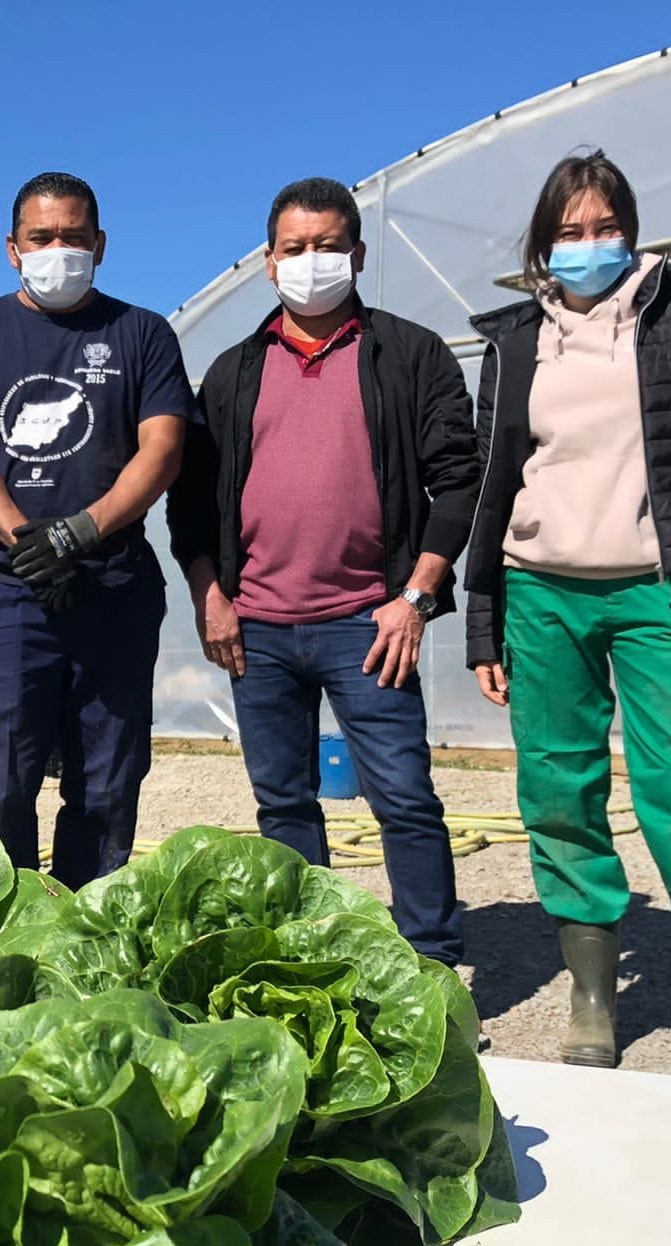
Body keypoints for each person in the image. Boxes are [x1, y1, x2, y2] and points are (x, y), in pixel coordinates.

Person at [466, 151, 671, 1083]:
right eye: (568, 232)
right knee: (558, 796)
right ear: (541, 245)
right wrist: (482, 623)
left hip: (661, 589)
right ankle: (593, 1000)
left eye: (606, 227)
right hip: (540, 590)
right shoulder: (516, 338)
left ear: (633, 231)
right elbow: (495, 487)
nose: (588, 246)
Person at [169, 177, 479, 969]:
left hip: (371, 622)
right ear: (268, 264)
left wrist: (417, 594)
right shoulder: (233, 374)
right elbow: (192, 503)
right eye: (295, 249)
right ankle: (311, 961)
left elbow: (460, 477)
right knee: (283, 805)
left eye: (329, 246)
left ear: (359, 254)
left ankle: (433, 967)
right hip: (260, 627)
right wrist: (212, 595)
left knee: (404, 801)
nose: (313, 262)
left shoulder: (410, 355)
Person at [0, 172, 191, 886]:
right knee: (1, 775)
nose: (58, 249)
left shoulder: (142, 333)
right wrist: (28, 542)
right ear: (13, 248)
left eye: (73, 236)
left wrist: (80, 533)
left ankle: (84, 932)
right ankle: (1, 938)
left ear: (100, 244)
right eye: (42, 238)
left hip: (114, 587)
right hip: (9, 591)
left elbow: (160, 449)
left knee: (106, 781)